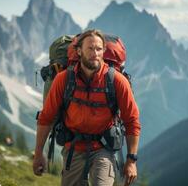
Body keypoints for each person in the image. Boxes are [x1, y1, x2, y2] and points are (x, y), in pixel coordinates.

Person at [33, 29, 141, 186]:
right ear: (78, 51)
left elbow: (132, 121)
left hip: (104, 147)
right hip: (73, 147)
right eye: (90, 48)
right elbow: (47, 117)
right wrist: (38, 153)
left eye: (98, 49)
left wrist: (131, 161)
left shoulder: (117, 81)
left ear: (104, 51)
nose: (95, 53)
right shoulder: (63, 79)